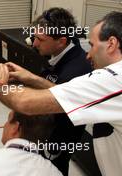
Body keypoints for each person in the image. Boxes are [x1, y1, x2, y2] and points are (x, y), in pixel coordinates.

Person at [0, 11, 122, 176]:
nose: (89, 54)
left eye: (93, 45)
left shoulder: (111, 80)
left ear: (111, 43)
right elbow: (63, 91)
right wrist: (32, 78)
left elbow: (25, 103)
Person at [17, 7, 93, 175]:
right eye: (34, 37)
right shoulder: (63, 52)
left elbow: (39, 104)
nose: (34, 43)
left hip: (56, 142)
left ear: (61, 41)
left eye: (40, 39)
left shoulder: (75, 71)